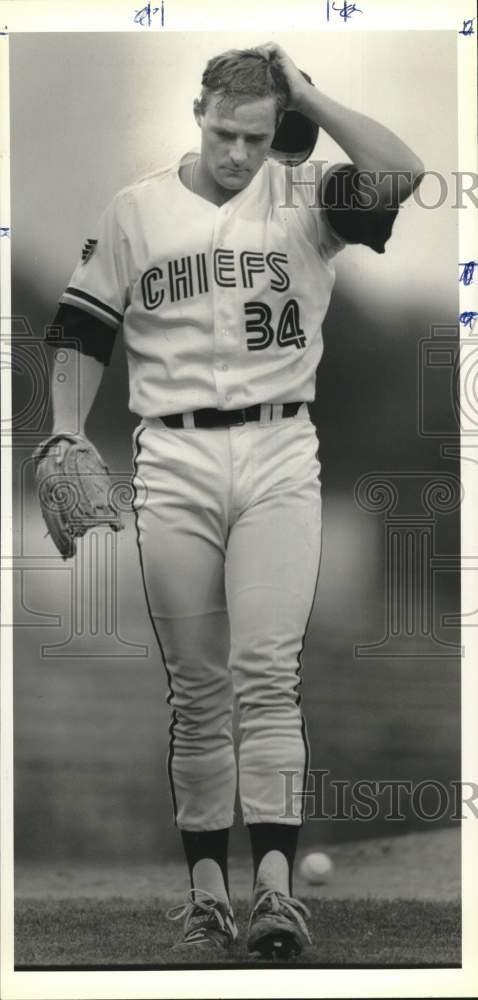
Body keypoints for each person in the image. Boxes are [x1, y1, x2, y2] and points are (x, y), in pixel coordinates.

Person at [46, 43, 423, 958]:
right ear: (197, 113)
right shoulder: (137, 209)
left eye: (257, 136)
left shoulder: (309, 195)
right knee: (199, 688)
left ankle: (277, 892)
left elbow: (404, 173)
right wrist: (61, 432)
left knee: (268, 674)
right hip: (170, 456)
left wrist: (311, 95)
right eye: (224, 132)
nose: (237, 154)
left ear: (277, 128)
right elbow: (81, 327)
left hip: (279, 451)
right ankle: (208, 892)